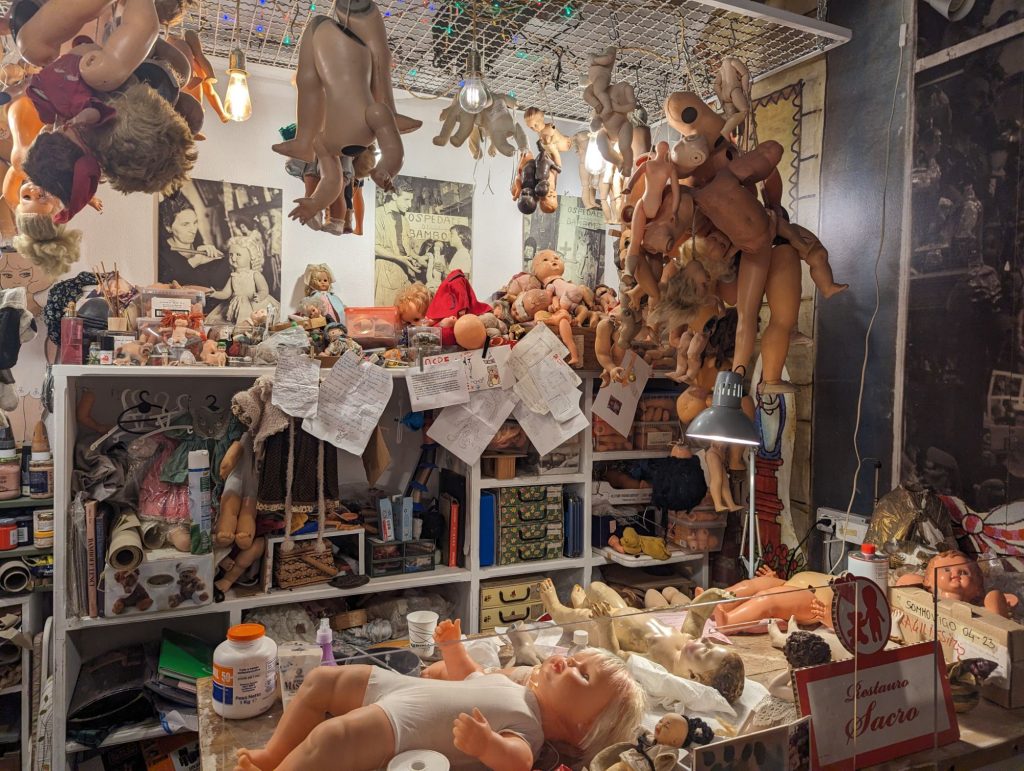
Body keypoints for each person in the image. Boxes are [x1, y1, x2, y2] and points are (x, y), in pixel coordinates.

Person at [236, 618, 646, 771]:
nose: (566, 662)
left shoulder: (530, 729)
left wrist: (486, 744)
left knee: (330, 738)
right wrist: (452, 649)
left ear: (583, 729)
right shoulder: (513, 686)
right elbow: (470, 677)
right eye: (574, 658)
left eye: (583, 675)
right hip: (401, 688)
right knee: (321, 681)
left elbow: (517, 762)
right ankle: (273, 755)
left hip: (403, 726)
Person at [158, 193, 227, 299]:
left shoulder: (200, 246)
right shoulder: (162, 254)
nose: (193, 230)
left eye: (195, 222)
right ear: (168, 227)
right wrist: (194, 262)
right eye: (185, 224)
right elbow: (166, 289)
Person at [374, 180, 415, 304]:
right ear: (394, 196)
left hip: (404, 274)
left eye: (411, 200)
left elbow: (404, 248)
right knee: (386, 312)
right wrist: (399, 258)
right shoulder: (378, 214)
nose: (409, 205)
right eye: (406, 200)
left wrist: (418, 258)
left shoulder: (404, 219)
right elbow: (375, 247)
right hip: (385, 273)